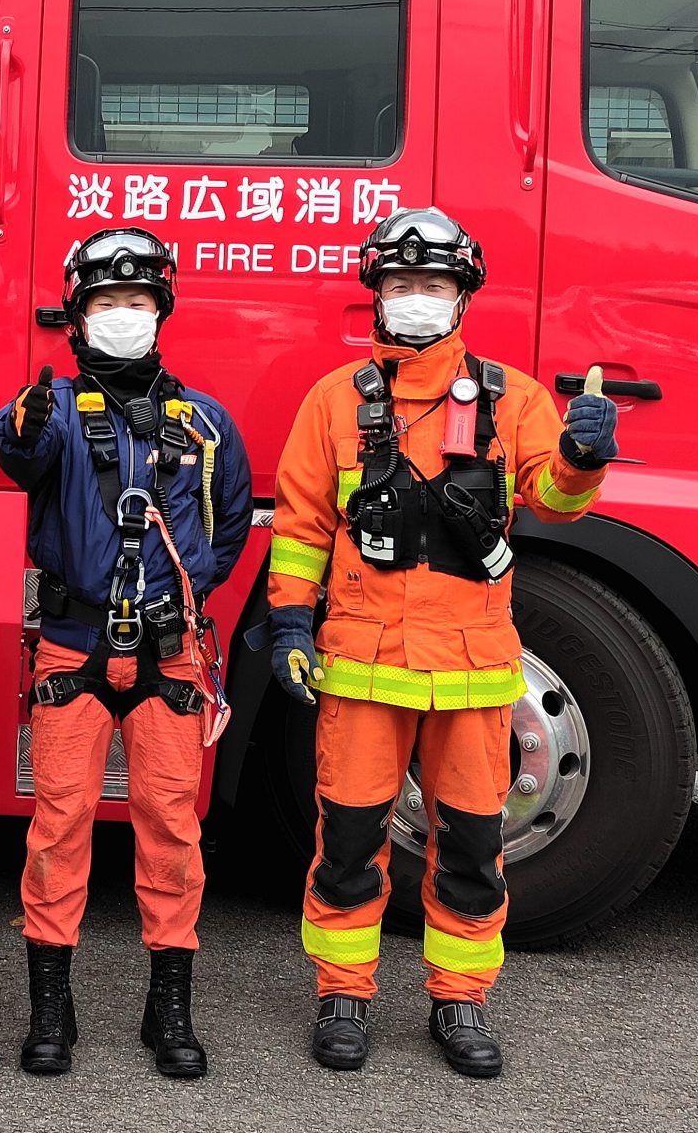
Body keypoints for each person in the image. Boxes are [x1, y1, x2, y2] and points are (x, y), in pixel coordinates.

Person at [257, 207, 620, 1081]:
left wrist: (581, 458)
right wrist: (291, 621)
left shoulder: (512, 398)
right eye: (401, 283)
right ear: (376, 294)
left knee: (471, 850)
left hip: (472, 670)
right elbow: (300, 527)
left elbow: (555, 500)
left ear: (462, 297)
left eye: (433, 284)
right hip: (363, 666)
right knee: (348, 843)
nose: (415, 297)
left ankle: (460, 1000)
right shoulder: (334, 402)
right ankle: (343, 995)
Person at [0, 228, 252, 1080]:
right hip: (72, 650)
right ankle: (51, 1010)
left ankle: (168, 1008)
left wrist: (188, 586)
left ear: (161, 311)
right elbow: (17, 454)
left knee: (172, 830)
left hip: (170, 656)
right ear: (77, 316)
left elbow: (231, 521)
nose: (123, 316)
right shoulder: (52, 411)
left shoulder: (206, 421)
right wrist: (24, 425)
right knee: (57, 827)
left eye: (137, 302)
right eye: (106, 302)